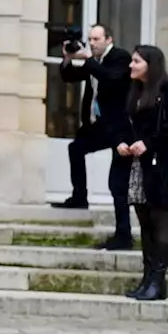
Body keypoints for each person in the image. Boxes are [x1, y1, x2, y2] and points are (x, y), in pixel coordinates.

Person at [116, 45, 168, 302]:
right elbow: (126, 123)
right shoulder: (135, 90)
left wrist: (149, 142)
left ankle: (158, 280)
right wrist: (123, 142)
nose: (131, 65)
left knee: (159, 220)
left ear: (150, 64)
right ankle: (148, 278)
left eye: (136, 61)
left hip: (162, 165)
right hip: (139, 165)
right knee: (145, 222)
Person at [53, 23, 134, 251]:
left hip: (120, 128)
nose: (92, 43)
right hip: (101, 125)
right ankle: (80, 197)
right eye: (90, 40)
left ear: (109, 39)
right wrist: (68, 58)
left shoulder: (120, 57)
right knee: (76, 149)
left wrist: (87, 58)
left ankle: (124, 234)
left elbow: (111, 79)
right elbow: (69, 76)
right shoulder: (94, 62)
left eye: (97, 39)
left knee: (117, 184)